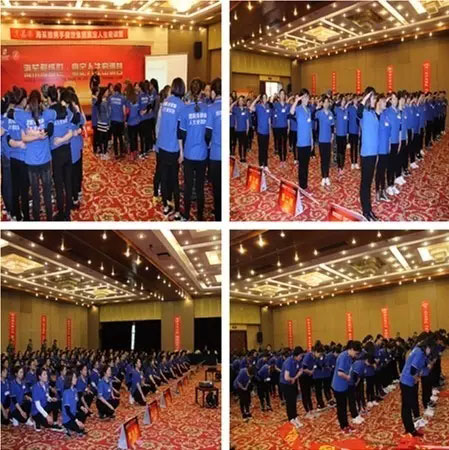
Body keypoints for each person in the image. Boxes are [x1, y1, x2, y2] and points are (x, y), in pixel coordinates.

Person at [156, 77, 186, 220]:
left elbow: (161, 125)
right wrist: (182, 151)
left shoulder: (165, 102)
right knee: (174, 180)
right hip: (173, 147)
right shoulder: (181, 106)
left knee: (164, 177)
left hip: (162, 146)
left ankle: (166, 206)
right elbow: (180, 131)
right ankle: (178, 210)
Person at [180, 78, 208, 221]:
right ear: (202, 91)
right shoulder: (207, 109)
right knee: (200, 187)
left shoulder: (185, 110)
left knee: (188, 186)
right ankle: (200, 216)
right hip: (202, 154)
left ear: (190, 91)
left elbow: (182, 134)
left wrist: (181, 152)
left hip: (189, 154)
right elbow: (208, 134)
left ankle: (186, 215)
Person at [399, 334, 435, 437]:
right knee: (406, 406)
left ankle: (410, 427)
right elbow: (413, 369)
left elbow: (421, 365)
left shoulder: (420, 351)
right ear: (427, 346)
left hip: (408, 380)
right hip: (407, 381)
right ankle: (410, 429)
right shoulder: (419, 352)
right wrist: (416, 378)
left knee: (409, 404)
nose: (430, 351)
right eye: (430, 349)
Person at [358, 87, 380, 221]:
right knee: (365, 183)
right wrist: (366, 97)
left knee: (369, 182)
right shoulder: (364, 113)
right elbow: (359, 111)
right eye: (373, 98)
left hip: (374, 153)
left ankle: (369, 209)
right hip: (366, 153)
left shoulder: (373, 113)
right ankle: (366, 211)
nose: (375, 100)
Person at [331, 340, 362, 434]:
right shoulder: (343, 357)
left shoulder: (349, 357)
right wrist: (347, 377)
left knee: (344, 406)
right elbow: (340, 373)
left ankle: (346, 424)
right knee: (341, 407)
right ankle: (343, 426)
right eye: (356, 353)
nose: (356, 355)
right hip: (338, 386)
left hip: (344, 385)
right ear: (351, 349)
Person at [291, 89, 313, 192]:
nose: (306, 99)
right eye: (304, 97)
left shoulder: (308, 110)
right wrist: (296, 100)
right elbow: (291, 112)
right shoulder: (298, 109)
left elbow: (310, 127)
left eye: (307, 97)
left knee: (306, 165)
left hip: (308, 141)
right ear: (301, 98)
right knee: (302, 166)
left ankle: (305, 185)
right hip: (301, 142)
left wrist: (312, 140)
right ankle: (301, 186)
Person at [206, 77, 222, 221]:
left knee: (217, 187)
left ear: (213, 92)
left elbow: (208, 134)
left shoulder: (211, 109)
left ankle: (218, 215)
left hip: (215, 154)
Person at [31, 368, 64, 432]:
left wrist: (51, 399)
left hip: (45, 406)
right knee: (47, 423)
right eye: (44, 374)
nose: (46, 376)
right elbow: (38, 406)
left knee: (57, 402)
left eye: (46, 374)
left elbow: (46, 395)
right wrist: (47, 416)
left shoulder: (46, 384)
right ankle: (37, 421)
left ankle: (54, 422)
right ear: (39, 377)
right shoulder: (35, 388)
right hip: (37, 412)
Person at [280, 346, 304, 429]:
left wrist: (295, 377)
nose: (301, 358)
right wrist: (292, 379)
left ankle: (295, 416)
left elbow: (301, 370)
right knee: (289, 401)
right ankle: (291, 418)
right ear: (296, 355)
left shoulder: (298, 361)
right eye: (300, 356)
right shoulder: (288, 362)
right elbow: (286, 377)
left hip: (292, 382)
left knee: (294, 400)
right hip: (285, 383)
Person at [315, 95, 334, 187]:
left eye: (327, 102)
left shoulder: (330, 113)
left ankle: (327, 176)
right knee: (323, 159)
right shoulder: (319, 113)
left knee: (328, 158)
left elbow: (332, 125)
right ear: (322, 103)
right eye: (325, 102)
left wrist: (332, 135)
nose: (326, 104)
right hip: (322, 139)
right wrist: (317, 107)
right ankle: (323, 176)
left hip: (328, 139)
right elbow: (312, 116)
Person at [62, 370, 87, 436]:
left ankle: (74, 428)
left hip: (73, 414)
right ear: (70, 379)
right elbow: (67, 411)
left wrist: (82, 407)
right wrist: (77, 421)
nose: (76, 379)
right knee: (80, 429)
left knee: (83, 414)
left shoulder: (75, 390)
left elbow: (77, 403)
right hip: (67, 418)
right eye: (75, 377)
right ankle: (67, 426)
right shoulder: (66, 393)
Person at [250, 94, 271, 169]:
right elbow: (251, 108)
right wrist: (256, 99)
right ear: (261, 99)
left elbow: (269, 119)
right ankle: (261, 164)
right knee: (261, 148)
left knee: (266, 148)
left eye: (266, 97)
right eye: (263, 98)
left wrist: (270, 130)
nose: (265, 99)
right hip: (260, 131)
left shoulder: (268, 106)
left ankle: (266, 164)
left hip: (267, 131)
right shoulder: (258, 106)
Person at [108, 83, 126, 158]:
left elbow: (109, 109)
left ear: (114, 90)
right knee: (120, 137)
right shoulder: (122, 98)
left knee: (115, 137)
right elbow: (124, 110)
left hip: (113, 120)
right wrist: (125, 119)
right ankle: (121, 153)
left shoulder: (110, 98)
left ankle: (116, 153)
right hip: (120, 120)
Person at [334, 95, 349, 175]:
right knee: (339, 151)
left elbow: (347, 122)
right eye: (342, 100)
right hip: (339, 134)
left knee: (343, 151)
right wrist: (336, 102)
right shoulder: (337, 109)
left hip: (344, 134)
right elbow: (332, 109)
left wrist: (347, 133)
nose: (344, 102)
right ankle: (340, 167)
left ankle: (342, 166)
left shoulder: (346, 110)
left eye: (344, 100)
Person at [233, 96, 249, 163]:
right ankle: (241, 157)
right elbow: (229, 109)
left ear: (243, 101)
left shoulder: (246, 110)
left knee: (244, 144)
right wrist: (235, 102)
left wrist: (247, 129)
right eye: (239, 100)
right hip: (238, 130)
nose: (241, 102)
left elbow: (247, 120)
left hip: (244, 129)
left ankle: (244, 157)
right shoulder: (236, 109)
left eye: (242, 100)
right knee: (240, 144)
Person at [348, 96, 360, 169]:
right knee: (352, 147)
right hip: (351, 130)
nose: (356, 100)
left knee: (356, 147)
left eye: (356, 99)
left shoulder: (359, 108)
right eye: (354, 99)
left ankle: (356, 162)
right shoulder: (350, 108)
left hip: (357, 130)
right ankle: (352, 162)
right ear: (352, 100)